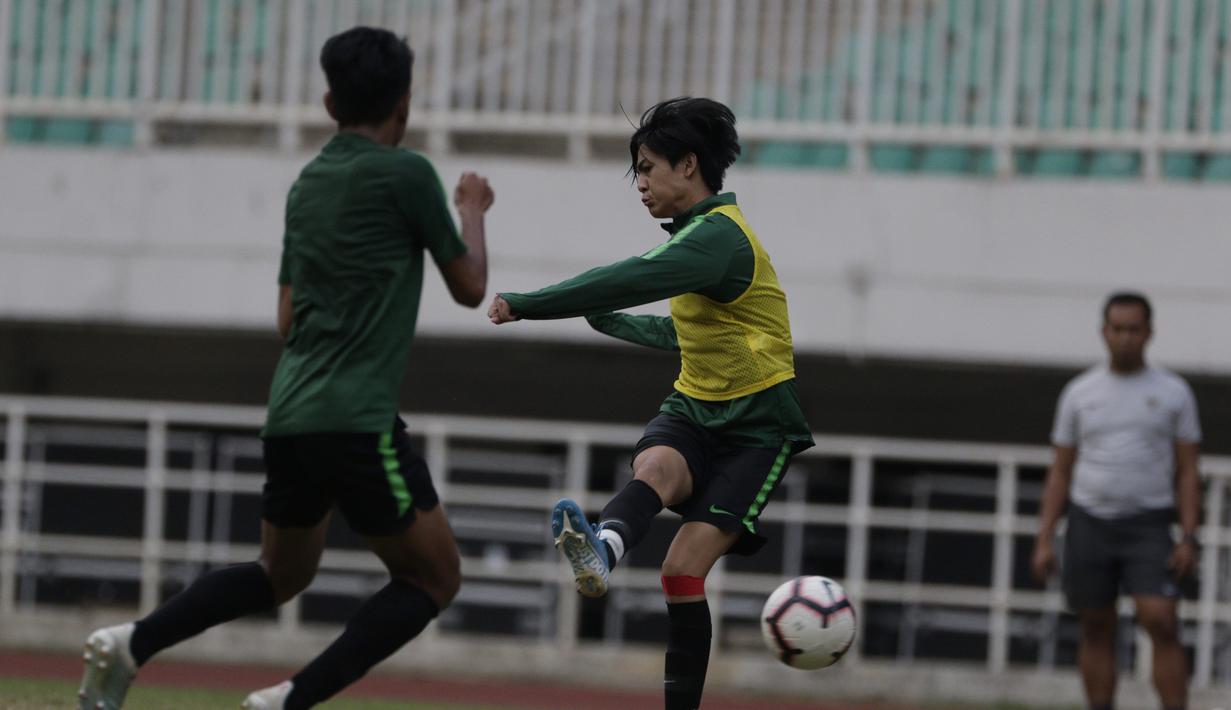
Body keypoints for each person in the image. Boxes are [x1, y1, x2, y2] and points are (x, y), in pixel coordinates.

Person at [77, 27, 494, 710]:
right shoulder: (408, 174)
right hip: (357, 420)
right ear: (405, 105)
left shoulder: (308, 184)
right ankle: (286, 702)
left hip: (291, 413)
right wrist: (471, 211)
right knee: (434, 579)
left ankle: (130, 643)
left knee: (278, 573)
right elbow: (471, 287)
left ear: (329, 102)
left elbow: (285, 317)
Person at [487, 96, 813, 710]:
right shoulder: (698, 239)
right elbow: (686, 333)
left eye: (647, 167)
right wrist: (614, 322)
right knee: (655, 468)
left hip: (757, 430)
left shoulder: (717, 238)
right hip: (695, 406)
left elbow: (630, 276)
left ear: (688, 166)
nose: (640, 183)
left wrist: (529, 302)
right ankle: (603, 550)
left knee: (680, 571)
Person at [1032, 292, 1201, 710]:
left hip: (1148, 524)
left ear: (1149, 333)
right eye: (1117, 329)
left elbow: (1188, 471)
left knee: (1161, 620)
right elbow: (1061, 471)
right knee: (1095, 625)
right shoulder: (1079, 393)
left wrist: (1189, 535)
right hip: (1091, 522)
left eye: (1134, 329)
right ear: (1104, 332)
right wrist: (1044, 537)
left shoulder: (1174, 392)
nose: (1125, 338)